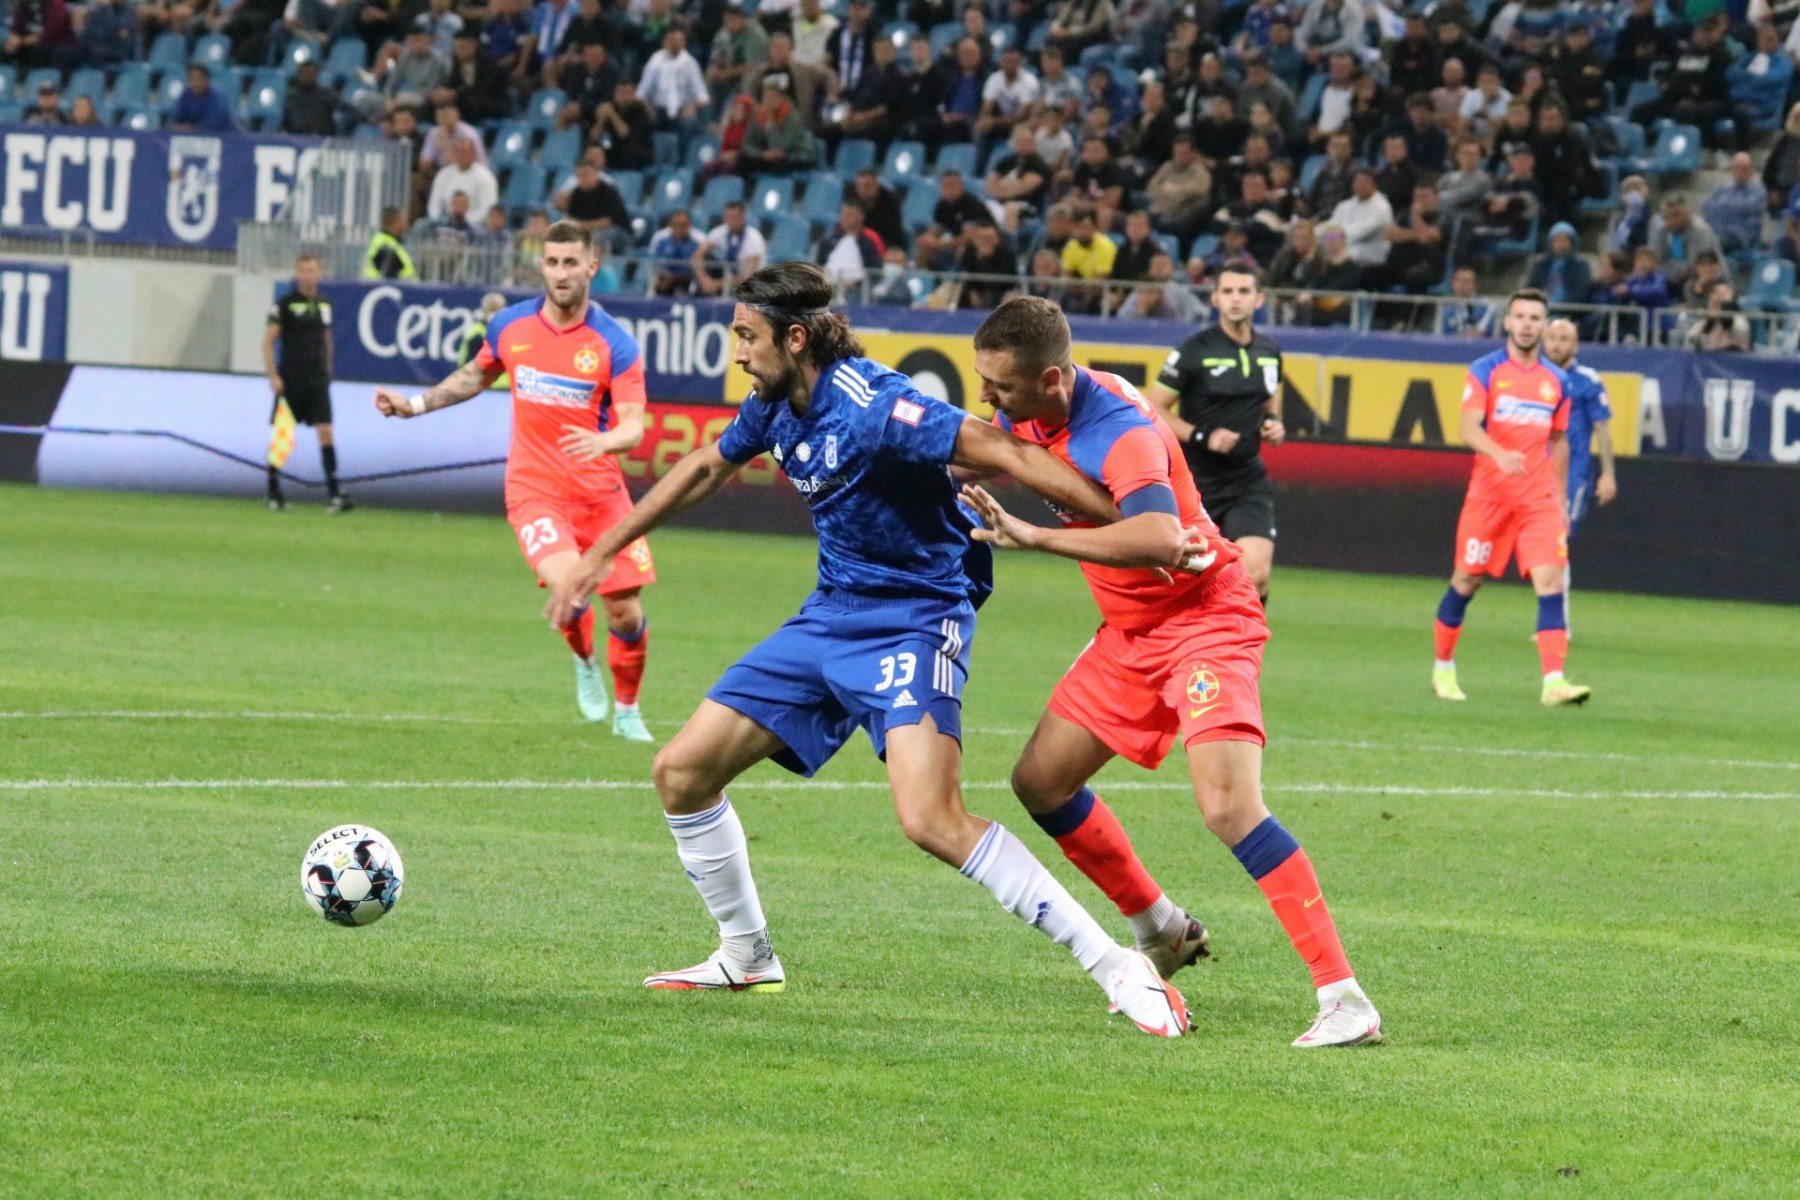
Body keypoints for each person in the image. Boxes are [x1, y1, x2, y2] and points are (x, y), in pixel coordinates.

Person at [537, 262, 1193, 1036]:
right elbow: (708, 466)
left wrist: (1131, 527)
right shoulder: (776, 404)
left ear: (797, 336)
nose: (738, 354)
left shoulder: (881, 406)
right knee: (681, 773)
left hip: (917, 618)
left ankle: (1117, 966)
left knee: (931, 819)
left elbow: (1007, 453)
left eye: (747, 338)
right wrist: (596, 557)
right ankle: (746, 954)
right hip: (830, 616)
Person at [958, 297, 1382, 1048]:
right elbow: (977, 447)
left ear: (1052, 379)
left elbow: (1159, 537)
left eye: (1001, 387)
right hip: (1129, 633)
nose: (988, 398)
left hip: (1202, 622)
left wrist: (1034, 537)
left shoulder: (1120, 432)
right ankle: (1159, 926)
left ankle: (1344, 996)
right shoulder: (1039, 407)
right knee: (1041, 782)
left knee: (1227, 807)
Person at [374, 221, 657, 740]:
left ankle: (629, 709)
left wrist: (606, 442)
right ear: (541, 266)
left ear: (592, 266)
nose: (560, 272)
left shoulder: (615, 344)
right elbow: (474, 376)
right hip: (535, 491)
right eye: (552, 262)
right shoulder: (510, 326)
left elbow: (636, 425)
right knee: (570, 586)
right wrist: (412, 405)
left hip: (601, 494)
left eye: (571, 262)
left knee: (625, 611)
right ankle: (585, 662)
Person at [1431, 289, 1590, 708]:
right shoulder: (1485, 371)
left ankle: (1553, 681)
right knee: (1467, 579)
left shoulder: (1558, 381)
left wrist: (1558, 499)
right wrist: (1498, 453)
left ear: (1544, 324)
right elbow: (1468, 426)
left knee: (1551, 579)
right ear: (1507, 322)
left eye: (1535, 317)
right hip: (1490, 496)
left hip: (1537, 499)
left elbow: (1559, 443)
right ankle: (1443, 667)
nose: (1526, 324)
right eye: (1519, 316)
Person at [1148, 264, 1285, 605]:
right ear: (1214, 299)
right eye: (1227, 292)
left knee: (1257, 575)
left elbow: (1271, 400)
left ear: (1258, 299)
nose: (1235, 299)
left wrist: (1274, 423)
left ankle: (1241, 657)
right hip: (1196, 482)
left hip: (1246, 480)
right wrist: (1202, 436)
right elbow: (1154, 410)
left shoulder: (1269, 352)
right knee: (1184, 582)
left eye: (1243, 292)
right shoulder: (1194, 349)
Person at [1540, 319, 1614, 632]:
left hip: (1572, 477)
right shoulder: (1535, 377)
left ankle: (1558, 624)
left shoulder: (1587, 380)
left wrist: (1608, 474)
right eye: (1552, 338)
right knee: (1544, 547)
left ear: (1576, 344)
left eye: (1564, 338)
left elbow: (1603, 429)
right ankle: (1552, 620)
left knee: (1557, 544)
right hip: (1536, 473)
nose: (1557, 344)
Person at [263, 255, 348, 514]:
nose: (307, 275)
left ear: (318, 274)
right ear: (298, 273)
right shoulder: (285, 305)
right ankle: (273, 491)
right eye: (303, 270)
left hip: (316, 378)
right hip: (291, 377)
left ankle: (335, 493)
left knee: (326, 431)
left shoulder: (324, 304)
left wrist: (328, 367)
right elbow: (267, 342)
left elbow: (327, 337)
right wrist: (274, 376)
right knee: (283, 435)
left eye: (312, 270)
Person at [693, 200, 768, 297]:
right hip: (729, 278)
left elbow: (750, 275)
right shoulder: (720, 232)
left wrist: (718, 284)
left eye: (734, 217)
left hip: (752, 283)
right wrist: (704, 280)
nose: (731, 221)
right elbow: (698, 255)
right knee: (708, 259)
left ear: (743, 217)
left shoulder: (754, 238)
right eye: (727, 217)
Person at [363, 207, 418, 279]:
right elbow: (389, 278)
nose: (406, 225)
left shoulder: (391, 243)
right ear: (395, 222)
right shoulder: (385, 246)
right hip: (391, 289)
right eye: (403, 221)